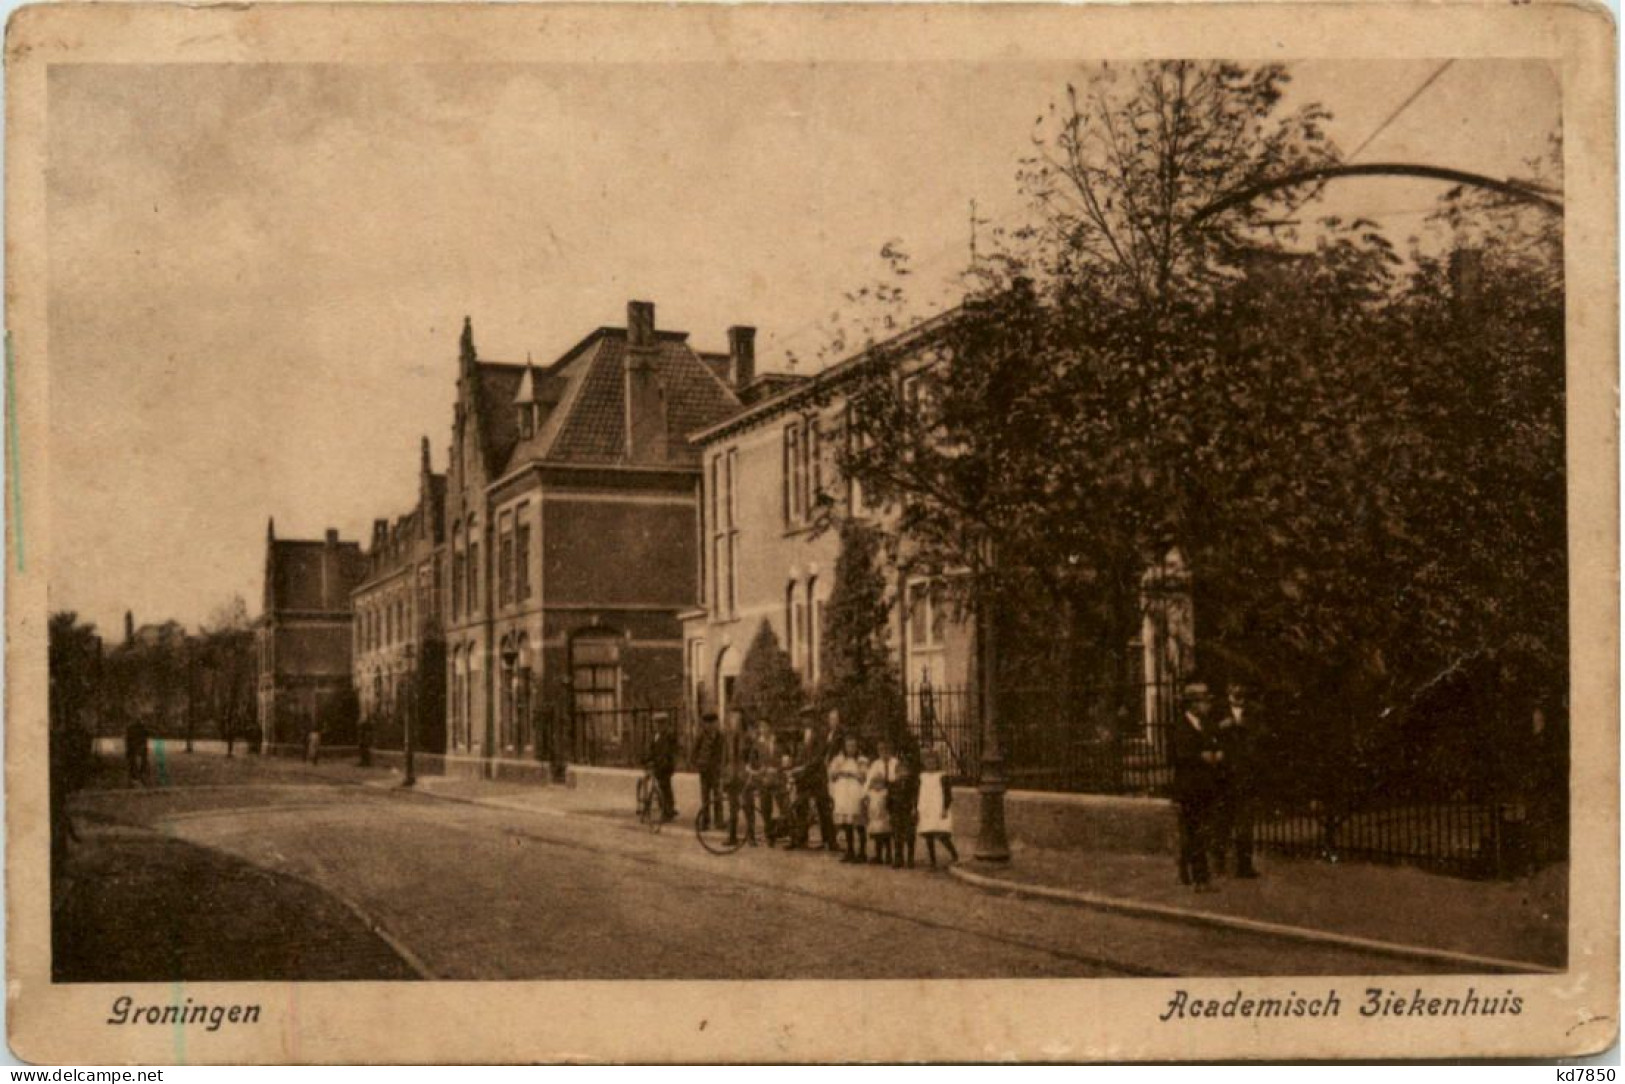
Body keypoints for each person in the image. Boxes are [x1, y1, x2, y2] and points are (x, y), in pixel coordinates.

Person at [1171, 682, 1224, 892]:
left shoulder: (1206, 724)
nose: (1207, 706)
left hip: (1206, 787)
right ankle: (1200, 879)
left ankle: (1187, 871)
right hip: (1189, 788)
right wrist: (1201, 756)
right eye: (1203, 701)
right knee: (1195, 833)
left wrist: (1216, 753)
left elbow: (1217, 745)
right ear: (1192, 704)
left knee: (1200, 832)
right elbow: (1180, 755)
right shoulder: (1180, 726)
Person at [1215, 682, 1260, 878]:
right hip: (1223, 776)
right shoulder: (1218, 710)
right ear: (1228, 690)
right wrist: (1221, 726)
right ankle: (1219, 864)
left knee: (1245, 822)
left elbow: (1264, 734)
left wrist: (1247, 726)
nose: (1237, 691)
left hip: (1245, 775)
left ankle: (1245, 866)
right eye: (1233, 687)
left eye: (1240, 687)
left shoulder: (1255, 711)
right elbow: (1207, 733)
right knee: (1222, 821)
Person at [828, 733, 869, 863]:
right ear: (844, 747)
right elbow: (832, 775)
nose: (850, 748)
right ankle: (850, 850)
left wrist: (850, 773)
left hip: (855, 791)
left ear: (857, 747)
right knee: (846, 823)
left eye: (853, 746)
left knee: (858, 822)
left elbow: (864, 777)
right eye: (848, 746)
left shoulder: (861, 760)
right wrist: (838, 772)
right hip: (843, 792)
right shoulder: (839, 760)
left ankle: (862, 852)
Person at [916, 747, 959, 868]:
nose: (930, 765)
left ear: (937, 763)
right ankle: (932, 860)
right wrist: (918, 808)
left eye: (933, 762)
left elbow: (947, 794)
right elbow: (919, 793)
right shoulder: (922, 777)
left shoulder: (942, 776)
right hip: (926, 808)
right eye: (928, 762)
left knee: (942, 834)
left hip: (938, 807)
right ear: (924, 763)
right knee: (928, 834)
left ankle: (954, 854)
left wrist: (945, 808)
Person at [865, 738, 898, 865]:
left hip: (891, 797)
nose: (884, 753)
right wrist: (866, 794)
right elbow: (869, 780)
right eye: (881, 750)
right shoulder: (875, 764)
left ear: (891, 750)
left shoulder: (895, 763)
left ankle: (889, 854)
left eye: (886, 750)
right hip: (877, 797)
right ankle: (878, 854)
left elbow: (896, 779)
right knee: (877, 829)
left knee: (888, 828)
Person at [691, 711, 725, 831]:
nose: (710, 726)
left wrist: (722, 766)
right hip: (705, 770)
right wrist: (697, 763)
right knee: (705, 797)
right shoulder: (701, 736)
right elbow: (694, 751)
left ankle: (719, 822)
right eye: (708, 723)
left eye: (713, 723)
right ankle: (705, 822)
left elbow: (723, 752)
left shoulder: (721, 736)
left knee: (718, 796)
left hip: (716, 770)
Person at [889, 739, 919, 868]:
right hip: (896, 811)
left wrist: (914, 808)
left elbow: (915, 796)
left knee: (910, 835)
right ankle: (898, 858)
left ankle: (910, 858)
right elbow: (889, 799)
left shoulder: (912, 784)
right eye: (899, 771)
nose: (902, 773)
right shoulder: (893, 784)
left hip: (908, 810)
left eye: (904, 770)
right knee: (897, 835)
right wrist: (889, 811)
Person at [124, 718, 149, 785]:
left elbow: (128, 740)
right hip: (136, 747)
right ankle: (136, 777)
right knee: (136, 762)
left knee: (137, 762)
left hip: (136, 747)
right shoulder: (142, 728)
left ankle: (137, 777)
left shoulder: (132, 728)